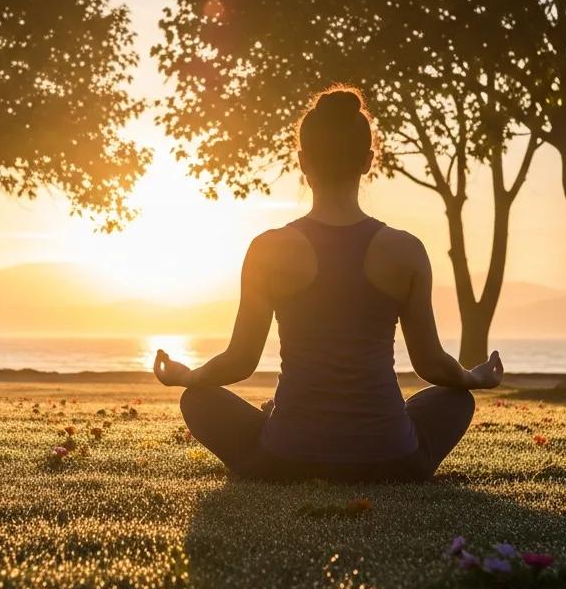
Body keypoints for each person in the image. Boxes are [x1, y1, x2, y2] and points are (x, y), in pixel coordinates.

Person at [153, 85, 503, 483]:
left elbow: (241, 360)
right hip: (393, 460)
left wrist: (190, 376)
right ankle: (366, 438)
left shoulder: (268, 249)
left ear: (302, 161)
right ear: (369, 161)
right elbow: (431, 364)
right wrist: (475, 378)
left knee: (198, 401)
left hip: (284, 460)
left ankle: (280, 424)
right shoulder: (405, 250)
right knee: (456, 400)